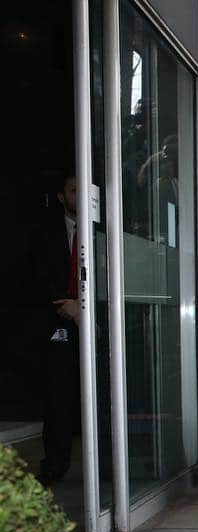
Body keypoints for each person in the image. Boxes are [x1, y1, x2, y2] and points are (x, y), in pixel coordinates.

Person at [32, 174, 80, 485]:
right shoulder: (46, 234)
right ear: (61, 197)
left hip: (98, 323)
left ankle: (109, 465)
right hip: (59, 320)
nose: (79, 195)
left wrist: (86, 311)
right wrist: (66, 305)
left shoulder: (102, 232)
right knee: (58, 396)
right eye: (73, 190)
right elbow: (38, 274)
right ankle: (55, 464)